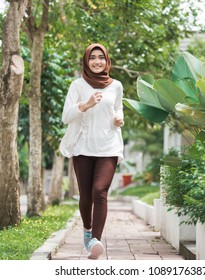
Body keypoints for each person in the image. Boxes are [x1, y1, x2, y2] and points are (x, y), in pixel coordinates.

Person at [59, 43, 124, 260]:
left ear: (107, 61)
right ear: (86, 61)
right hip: (83, 147)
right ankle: (87, 231)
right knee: (86, 196)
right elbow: (66, 116)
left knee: (100, 191)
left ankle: (95, 240)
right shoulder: (78, 85)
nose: (97, 61)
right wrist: (85, 105)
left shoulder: (116, 86)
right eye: (93, 58)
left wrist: (118, 118)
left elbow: (117, 107)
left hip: (109, 146)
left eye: (101, 57)